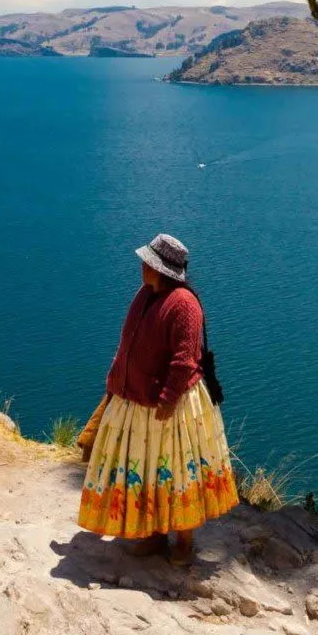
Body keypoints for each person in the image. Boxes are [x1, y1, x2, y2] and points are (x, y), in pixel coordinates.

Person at [77, 234, 238, 566]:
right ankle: (154, 534)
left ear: (160, 268)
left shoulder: (184, 305)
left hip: (172, 408)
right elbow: (128, 342)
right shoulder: (145, 295)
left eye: (147, 262)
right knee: (149, 470)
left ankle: (185, 540)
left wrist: (167, 399)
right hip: (137, 400)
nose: (142, 267)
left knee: (177, 472)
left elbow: (184, 361)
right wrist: (115, 382)